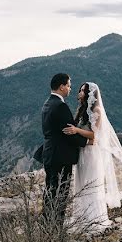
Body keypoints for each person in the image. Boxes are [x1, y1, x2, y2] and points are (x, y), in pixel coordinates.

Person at [63, 82, 122, 231]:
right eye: (81, 90)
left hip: (92, 154)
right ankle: (81, 218)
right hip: (83, 152)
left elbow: (95, 135)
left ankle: (94, 219)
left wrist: (76, 130)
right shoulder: (82, 110)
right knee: (81, 184)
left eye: (84, 91)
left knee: (91, 184)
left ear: (91, 94)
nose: (80, 93)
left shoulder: (96, 110)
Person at [40, 73, 88, 225]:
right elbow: (69, 132)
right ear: (61, 86)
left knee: (50, 192)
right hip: (60, 156)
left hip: (49, 154)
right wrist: (88, 141)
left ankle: (47, 226)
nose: (70, 89)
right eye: (68, 85)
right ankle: (54, 229)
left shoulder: (47, 103)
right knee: (60, 193)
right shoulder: (60, 106)